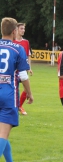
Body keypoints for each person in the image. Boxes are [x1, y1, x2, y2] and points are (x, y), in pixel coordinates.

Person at [0, 17, 33, 161]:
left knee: (3, 134)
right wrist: (29, 94)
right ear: (14, 31)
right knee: (3, 135)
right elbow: (24, 76)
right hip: (8, 95)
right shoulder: (18, 48)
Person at [13, 23, 33, 115]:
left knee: (26, 89)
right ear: (16, 29)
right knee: (14, 88)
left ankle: (19, 106)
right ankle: (15, 106)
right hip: (13, 70)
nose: (23, 30)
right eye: (21, 28)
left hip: (22, 69)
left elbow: (28, 55)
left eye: (24, 29)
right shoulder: (12, 41)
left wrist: (29, 68)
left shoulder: (26, 42)